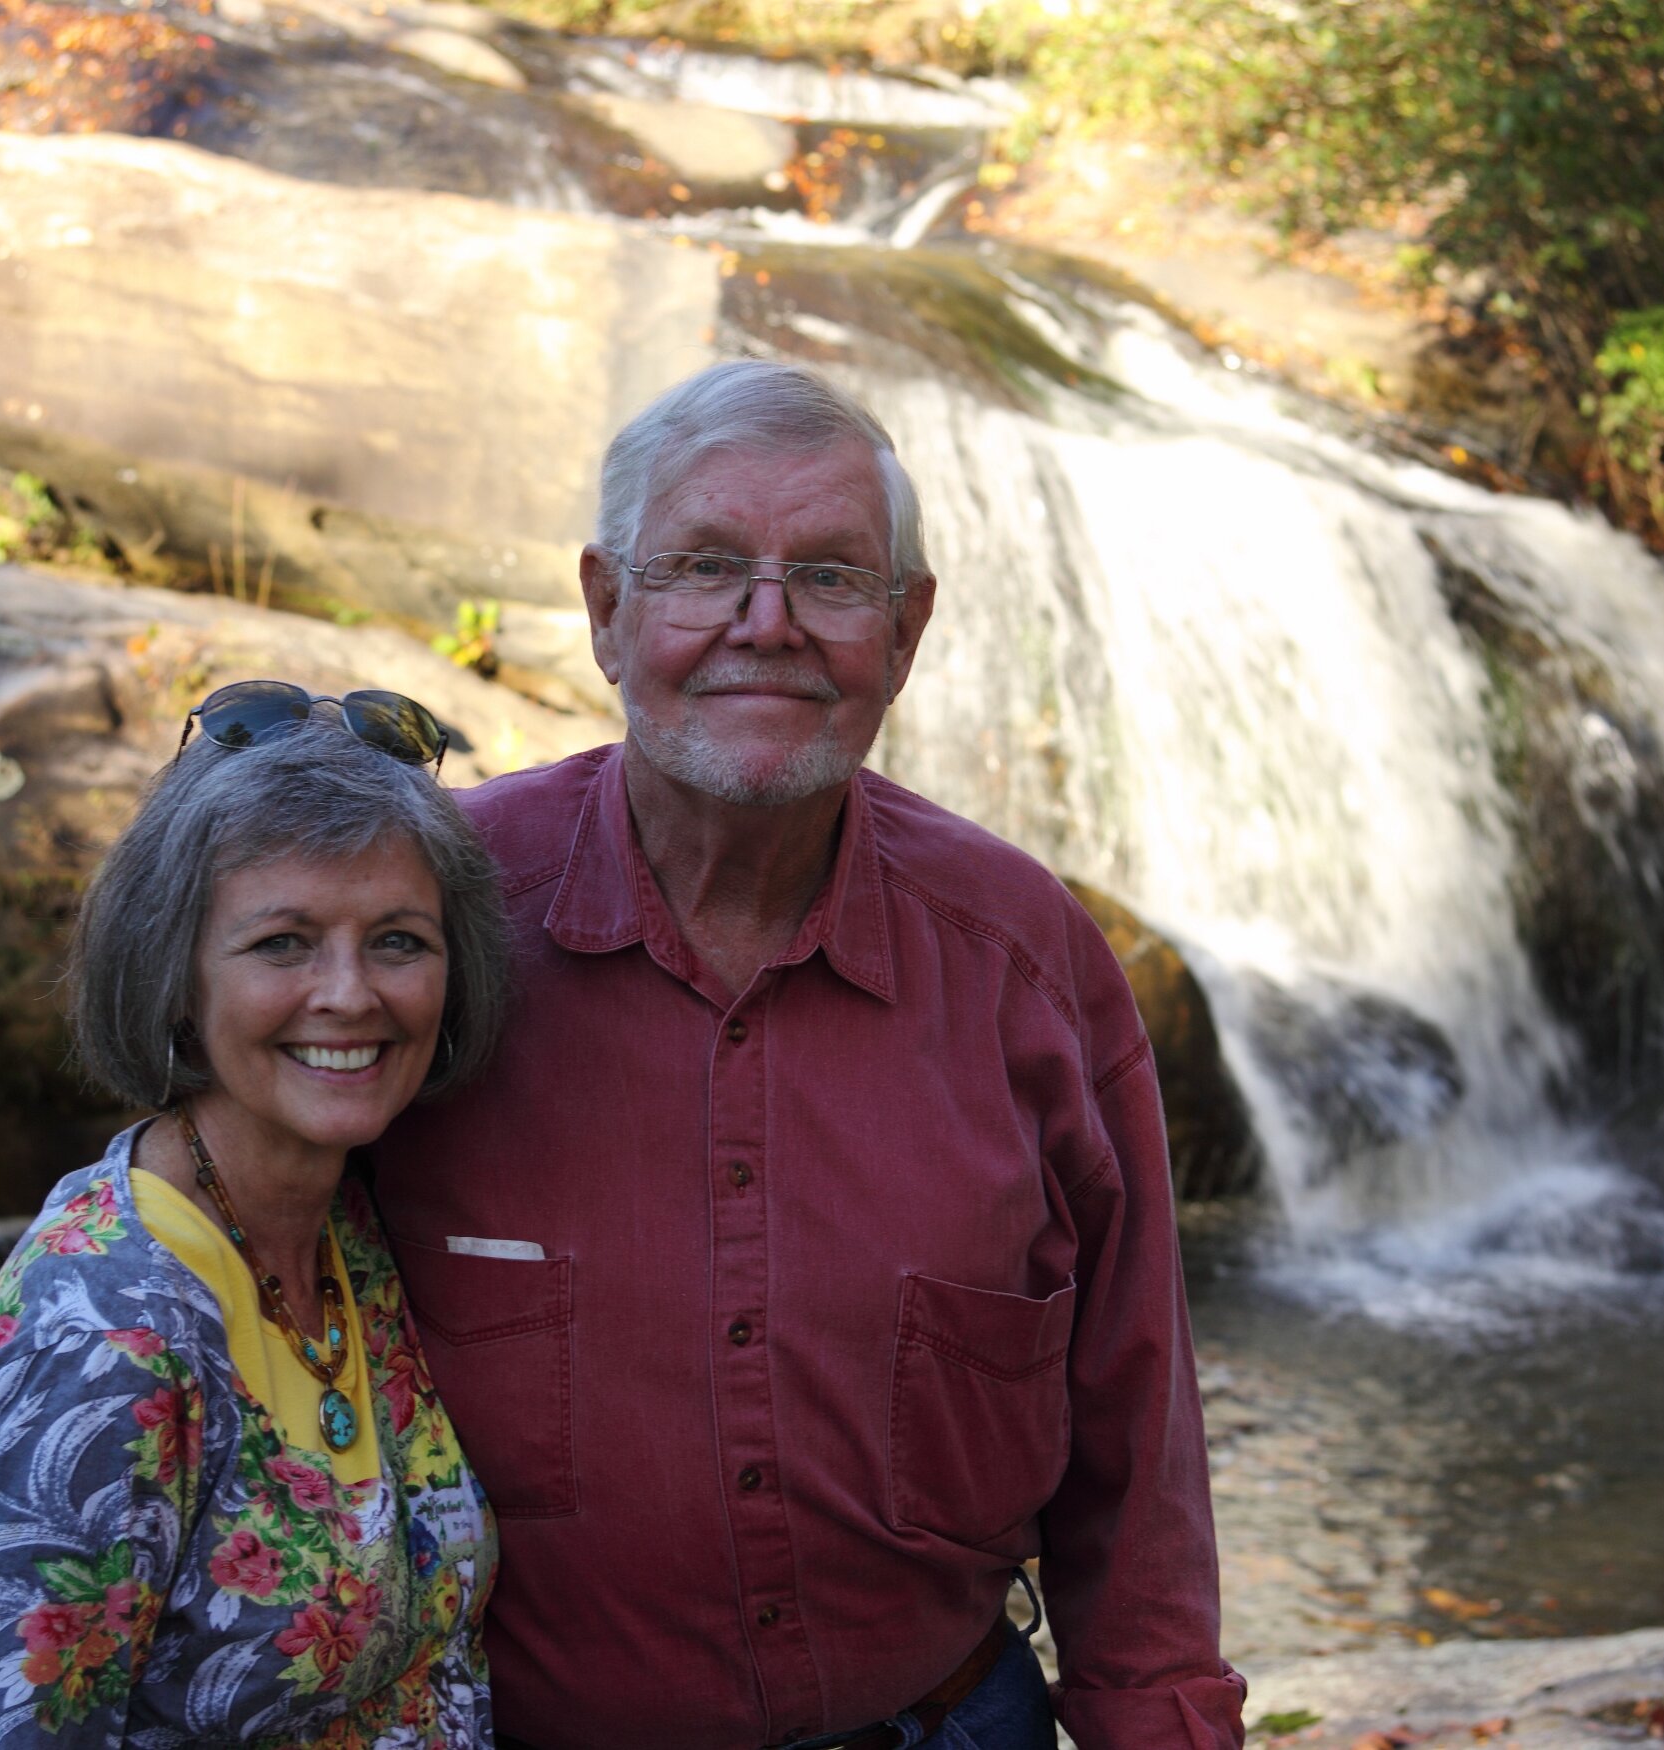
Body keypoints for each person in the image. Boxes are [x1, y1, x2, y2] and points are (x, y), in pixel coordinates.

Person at [375, 360, 1247, 1748]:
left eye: (832, 577)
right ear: (606, 610)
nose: (766, 623)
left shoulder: (1024, 962)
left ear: (905, 631)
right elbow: (194, 1242)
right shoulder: (419, 927)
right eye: (705, 567)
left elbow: (1135, 1417)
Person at [0, 687, 510, 1749]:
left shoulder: (352, 1225)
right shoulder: (104, 1337)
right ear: (175, 976)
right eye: (282, 942)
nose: (349, 993)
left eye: (398, 941)